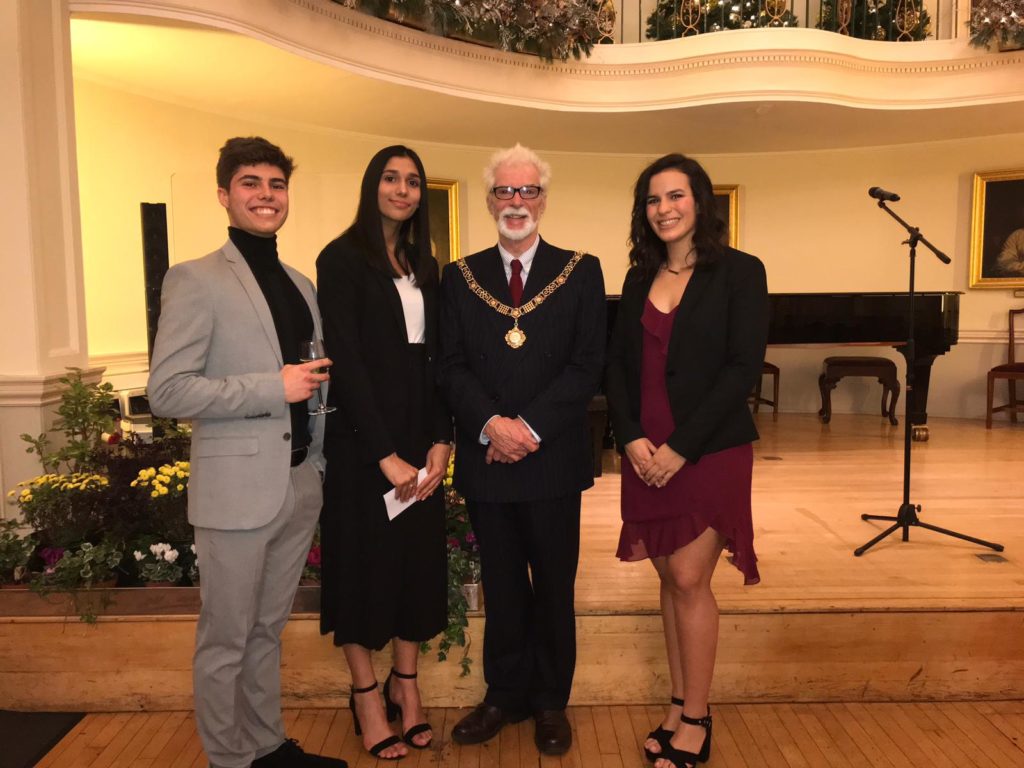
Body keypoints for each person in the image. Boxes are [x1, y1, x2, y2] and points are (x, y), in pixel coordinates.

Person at [148, 137, 344, 768]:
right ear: (224, 195)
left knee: (266, 632)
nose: (266, 195)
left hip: (295, 484)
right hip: (234, 495)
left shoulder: (300, 283)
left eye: (276, 184)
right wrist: (272, 386)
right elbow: (168, 391)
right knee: (226, 638)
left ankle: (265, 746)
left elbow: (314, 382)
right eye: (251, 183)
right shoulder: (194, 279)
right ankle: (228, 759)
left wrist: (315, 464)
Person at [439, 144, 606, 756]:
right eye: (505, 192)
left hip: (554, 460)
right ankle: (502, 696)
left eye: (528, 191)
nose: (517, 202)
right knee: (503, 586)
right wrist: (491, 424)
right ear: (488, 201)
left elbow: (588, 364)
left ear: (543, 199)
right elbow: (449, 365)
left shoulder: (581, 270)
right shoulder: (458, 277)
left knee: (554, 587)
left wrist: (527, 429)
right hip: (488, 464)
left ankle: (549, 703)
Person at [605, 153, 768, 768]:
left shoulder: (740, 273)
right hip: (646, 454)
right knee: (669, 582)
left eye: (676, 196)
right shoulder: (636, 276)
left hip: (709, 449)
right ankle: (677, 703)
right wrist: (629, 438)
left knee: (692, 579)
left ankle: (697, 718)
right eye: (652, 200)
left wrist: (680, 448)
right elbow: (617, 366)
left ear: (700, 202)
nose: (664, 209)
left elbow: (740, 371)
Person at [316, 145, 451, 761]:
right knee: (364, 570)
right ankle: (367, 696)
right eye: (391, 179)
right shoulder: (340, 259)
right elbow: (347, 365)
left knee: (414, 570)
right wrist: (385, 456)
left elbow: (441, 363)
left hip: (422, 439)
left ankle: (408, 689)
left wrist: (442, 441)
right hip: (363, 446)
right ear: (373, 185)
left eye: (413, 181)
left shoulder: (428, 263)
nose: (403, 189)